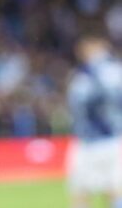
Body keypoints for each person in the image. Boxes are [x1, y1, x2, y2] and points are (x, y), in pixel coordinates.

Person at [66, 35, 122, 208]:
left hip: (92, 139)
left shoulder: (85, 75)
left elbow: (77, 104)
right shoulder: (115, 70)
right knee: (113, 188)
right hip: (111, 137)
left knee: (80, 192)